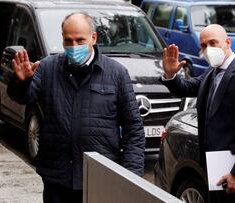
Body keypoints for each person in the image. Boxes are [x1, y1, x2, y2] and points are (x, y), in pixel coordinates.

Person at [8, 12, 145, 203]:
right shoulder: (48, 68)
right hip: (57, 178)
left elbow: (134, 129)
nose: (74, 47)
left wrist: (132, 176)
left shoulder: (116, 74)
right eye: (68, 41)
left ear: (93, 38)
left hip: (100, 177)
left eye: (80, 40)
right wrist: (21, 81)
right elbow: (22, 97)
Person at [160, 24, 235, 202]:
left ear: (228, 42)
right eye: (203, 45)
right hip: (212, 167)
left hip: (233, 170)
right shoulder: (212, 72)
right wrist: (170, 75)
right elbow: (187, 87)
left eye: (213, 43)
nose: (208, 49)